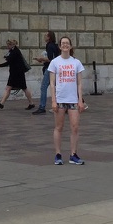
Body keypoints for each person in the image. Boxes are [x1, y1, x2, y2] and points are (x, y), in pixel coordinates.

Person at [48, 36, 85, 165]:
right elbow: (52, 83)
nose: (65, 45)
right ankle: (58, 154)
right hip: (60, 99)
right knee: (59, 127)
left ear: (70, 46)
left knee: (75, 127)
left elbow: (79, 83)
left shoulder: (76, 62)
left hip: (73, 100)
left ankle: (73, 154)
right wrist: (53, 100)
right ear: (59, 46)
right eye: (62, 43)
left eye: (67, 43)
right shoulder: (54, 62)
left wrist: (80, 100)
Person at [0, 39, 35, 110]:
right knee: (10, 88)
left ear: (13, 45)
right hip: (15, 73)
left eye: (9, 44)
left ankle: (31, 103)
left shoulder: (15, 52)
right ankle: (1, 103)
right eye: (7, 44)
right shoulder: (13, 51)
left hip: (17, 74)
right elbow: (11, 60)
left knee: (23, 88)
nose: (7, 46)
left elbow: (8, 62)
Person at [32, 31, 60, 115]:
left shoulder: (49, 45)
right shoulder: (54, 45)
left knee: (43, 87)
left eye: (45, 35)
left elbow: (51, 58)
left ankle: (42, 107)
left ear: (49, 37)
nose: (44, 37)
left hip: (50, 69)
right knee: (58, 87)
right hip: (54, 68)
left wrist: (41, 58)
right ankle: (61, 105)